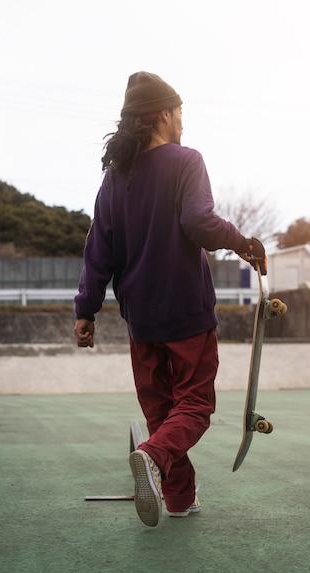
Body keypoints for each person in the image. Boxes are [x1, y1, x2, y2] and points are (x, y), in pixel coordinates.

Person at [74, 71, 267, 527]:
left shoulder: (114, 178)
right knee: (195, 407)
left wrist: (86, 310)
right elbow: (199, 222)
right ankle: (152, 455)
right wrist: (243, 244)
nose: (183, 121)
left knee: (162, 411)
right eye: (180, 112)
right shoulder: (186, 160)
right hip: (186, 312)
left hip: (140, 319)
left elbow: (98, 247)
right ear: (163, 113)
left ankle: (179, 499)